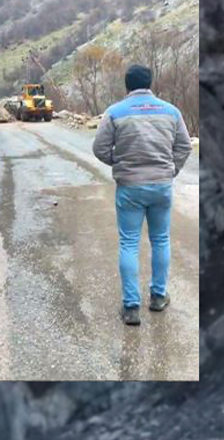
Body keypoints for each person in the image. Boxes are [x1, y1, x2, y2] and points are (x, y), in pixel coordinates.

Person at [92, 64, 192, 326]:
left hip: (130, 188)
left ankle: (131, 307)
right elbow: (184, 146)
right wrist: (171, 169)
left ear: (127, 85)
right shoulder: (171, 111)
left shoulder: (115, 112)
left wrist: (121, 163)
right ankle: (158, 297)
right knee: (160, 240)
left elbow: (99, 148)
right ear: (150, 83)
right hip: (161, 186)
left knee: (128, 243)